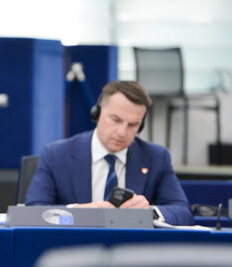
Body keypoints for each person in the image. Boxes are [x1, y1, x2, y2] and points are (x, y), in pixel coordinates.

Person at [25, 80, 192, 225]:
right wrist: (78, 213)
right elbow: (33, 212)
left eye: (132, 125)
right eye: (116, 120)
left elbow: (183, 213)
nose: (122, 132)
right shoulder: (56, 154)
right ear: (96, 114)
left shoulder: (156, 158)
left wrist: (149, 212)